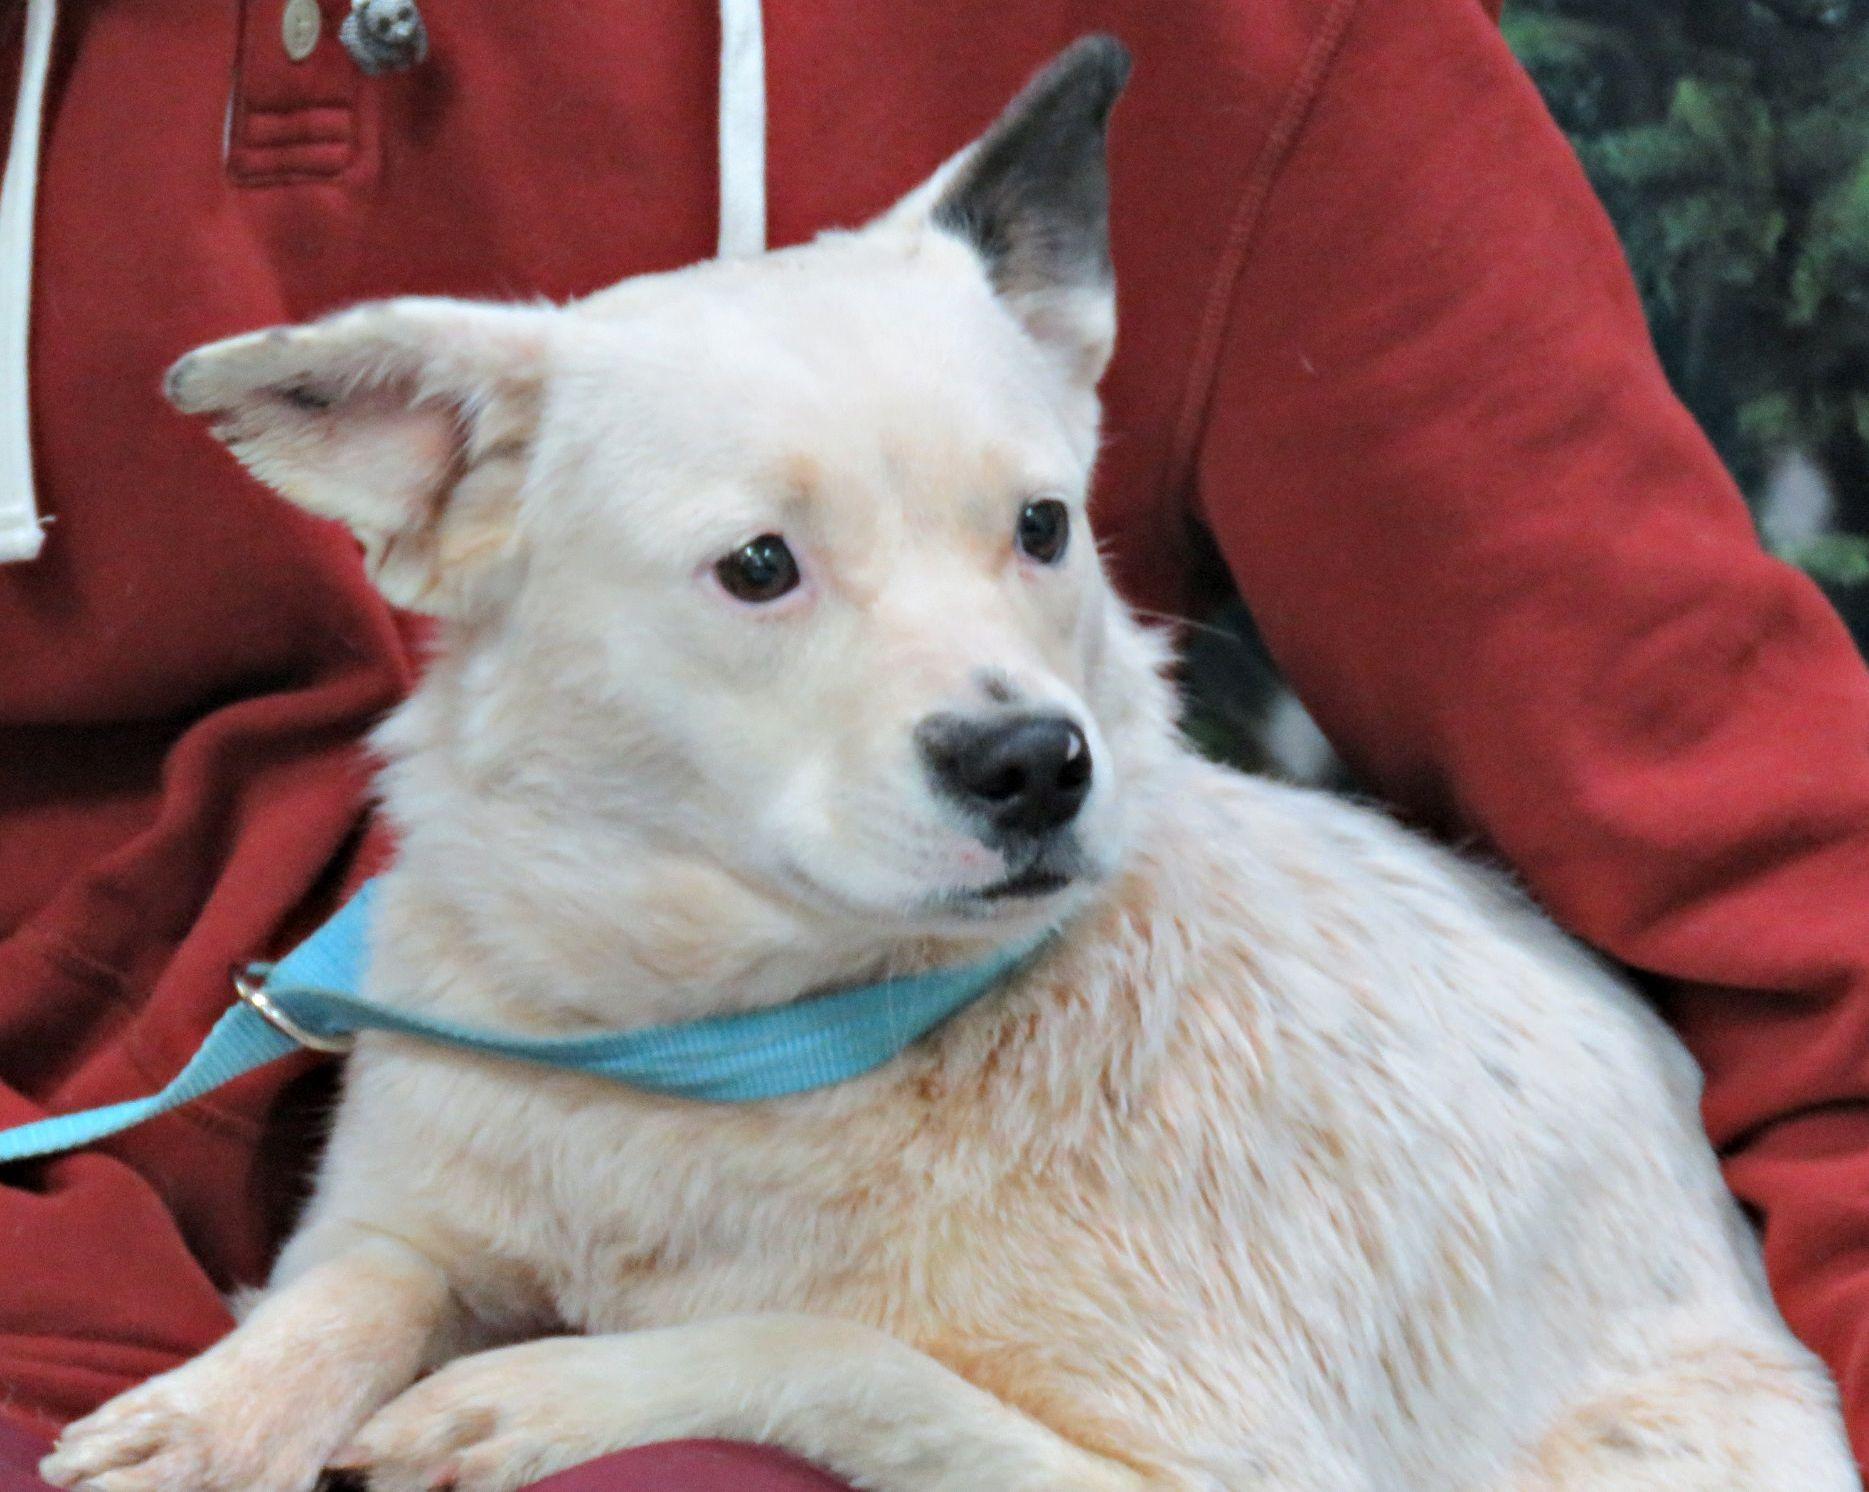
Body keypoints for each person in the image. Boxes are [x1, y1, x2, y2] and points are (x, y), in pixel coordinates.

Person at [2, 0, 1866, 1487]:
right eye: (761, 568)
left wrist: (793, 1387)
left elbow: (1740, 817)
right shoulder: (476, 877)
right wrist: (313, 1353)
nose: (1011, 720)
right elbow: (418, 1252)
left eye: (1031, 532)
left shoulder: (1271, 62)